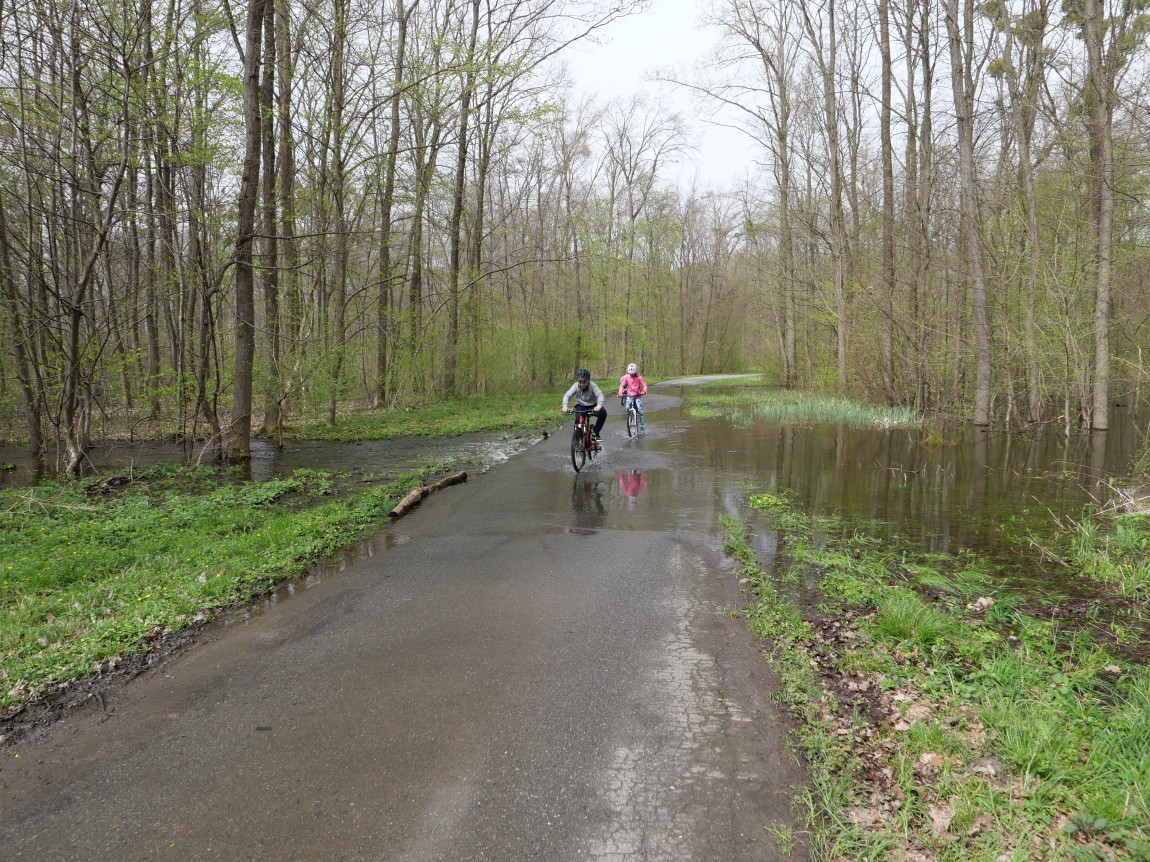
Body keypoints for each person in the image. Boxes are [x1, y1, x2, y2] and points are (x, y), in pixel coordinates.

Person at [562, 368, 607, 443]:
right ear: (578, 381)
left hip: (593, 405)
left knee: (603, 413)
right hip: (581, 405)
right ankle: (577, 439)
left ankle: (596, 433)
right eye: (580, 382)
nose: (582, 384)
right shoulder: (575, 386)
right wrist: (565, 406)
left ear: (588, 380)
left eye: (584, 382)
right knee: (578, 420)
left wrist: (599, 405)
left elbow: (600, 395)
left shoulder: (593, 386)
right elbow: (567, 395)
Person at [617, 362, 648, 432]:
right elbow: (622, 385)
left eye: (633, 373)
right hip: (629, 395)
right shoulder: (626, 377)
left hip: (637, 395)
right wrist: (620, 392)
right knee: (627, 408)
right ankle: (630, 418)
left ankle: (642, 426)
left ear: (635, 372)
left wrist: (644, 391)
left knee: (639, 410)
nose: (631, 375)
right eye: (630, 373)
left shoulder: (639, 377)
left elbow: (644, 385)